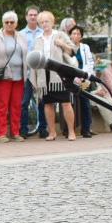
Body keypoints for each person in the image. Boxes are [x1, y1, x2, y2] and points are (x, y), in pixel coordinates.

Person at [30, 11, 76, 141]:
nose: (45, 24)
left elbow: (72, 51)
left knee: (66, 103)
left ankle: (71, 132)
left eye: (47, 21)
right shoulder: (37, 39)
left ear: (52, 22)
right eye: (42, 22)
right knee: (48, 104)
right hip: (44, 76)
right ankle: (52, 132)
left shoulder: (60, 35)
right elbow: (34, 58)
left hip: (59, 76)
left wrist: (62, 44)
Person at [0, 11, 27, 142]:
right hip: (2, 77)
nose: (9, 24)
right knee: (1, 106)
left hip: (19, 77)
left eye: (12, 22)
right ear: (3, 23)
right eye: (7, 22)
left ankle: (15, 132)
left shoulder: (21, 37)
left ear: (16, 23)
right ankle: (1, 134)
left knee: (16, 105)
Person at [20, 6, 45, 138]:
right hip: (27, 73)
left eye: (35, 15)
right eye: (31, 15)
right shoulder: (21, 34)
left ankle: (43, 129)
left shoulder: (44, 33)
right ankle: (23, 130)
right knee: (24, 102)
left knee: (43, 101)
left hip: (41, 73)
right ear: (26, 17)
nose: (33, 17)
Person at [68, 25, 97, 136]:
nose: (76, 36)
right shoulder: (67, 47)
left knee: (85, 103)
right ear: (70, 35)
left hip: (83, 79)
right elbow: (67, 64)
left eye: (78, 34)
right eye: (74, 33)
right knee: (70, 104)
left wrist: (82, 76)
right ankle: (69, 130)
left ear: (81, 36)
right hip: (71, 80)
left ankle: (86, 129)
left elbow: (89, 63)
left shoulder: (85, 47)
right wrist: (75, 78)